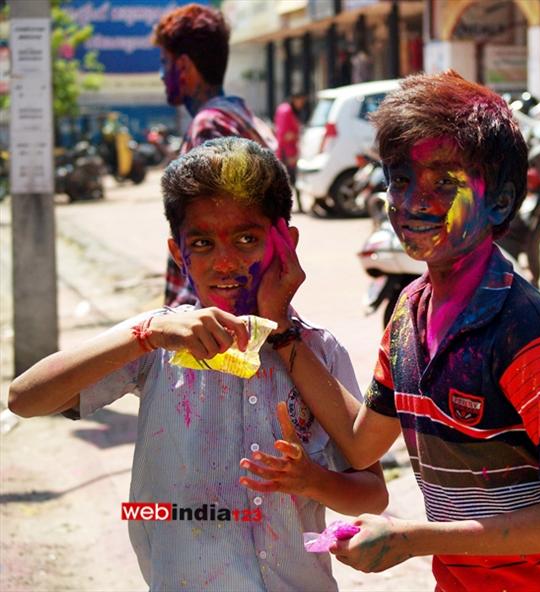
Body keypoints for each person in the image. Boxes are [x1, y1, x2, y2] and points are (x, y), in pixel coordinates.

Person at [243, 71, 540, 591]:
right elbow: (361, 445)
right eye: (400, 178)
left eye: (445, 181)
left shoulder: (526, 336)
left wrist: (413, 538)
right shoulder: (409, 312)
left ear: (501, 201)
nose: (413, 201)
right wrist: (282, 326)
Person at [8, 137, 388, 591]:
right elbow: (24, 399)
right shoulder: (157, 346)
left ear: (287, 242)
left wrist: (313, 481)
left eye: (247, 239)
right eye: (203, 243)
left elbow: (372, 491)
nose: (225, 262)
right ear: (178, 253)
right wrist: (144, 336)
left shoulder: (318, 351)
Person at [152, 3, 277, 307]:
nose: (160, 75)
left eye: (163, 63)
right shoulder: (240, 113)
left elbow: (218, 231)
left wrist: (187, 315)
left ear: (182, 67)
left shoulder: (210, 125)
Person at [275, 92, 307, 213]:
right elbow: (284, 135)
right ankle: (288, 207)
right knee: (289, 181)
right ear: (294, 99)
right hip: (287, 153)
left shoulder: (289, 110)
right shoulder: (286, 111)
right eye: (300, 101)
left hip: (290, 151)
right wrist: (289, 155)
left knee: (292, 181)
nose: (301, 104)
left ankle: (296, 206)